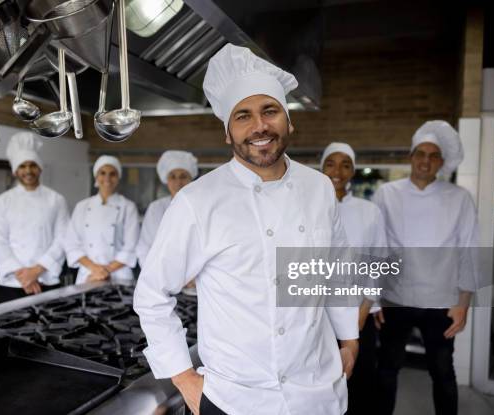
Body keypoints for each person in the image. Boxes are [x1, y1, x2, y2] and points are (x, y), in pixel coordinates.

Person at [134, 44, 358, 415]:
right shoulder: (197, 200)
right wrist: (183, 377)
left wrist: (350, 337)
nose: (259, 126)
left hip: (317, 391)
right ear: (227, 132)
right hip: (233, 399)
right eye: (243, 116)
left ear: (289, 120)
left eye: (270, 111)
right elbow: (153, 295)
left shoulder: (318, 188)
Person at [372, 121, 479, 415]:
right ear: (411, 157)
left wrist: (464, 304)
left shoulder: (459, 198)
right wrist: (373, 298)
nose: (426, 161)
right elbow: (377, 248)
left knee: (442, 371)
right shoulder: (387, 193)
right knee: (387, 369)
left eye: (433, 156)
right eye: (421, 153)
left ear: (441, 163)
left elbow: (470, 251)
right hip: (396, 297)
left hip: (441, 301)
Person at [321, 142, 387, 415]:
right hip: (317, 315)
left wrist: (365, 308)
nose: (338, 170)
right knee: (323, 385)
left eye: (345, 164)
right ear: (321, 167)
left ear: (353, 171)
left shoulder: (368, 211)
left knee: (359, 384)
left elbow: (379, 261)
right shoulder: (307, 208)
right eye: (331, 163)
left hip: (359, 313)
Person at [0, 132, 69, 302]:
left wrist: (37, 270)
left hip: (46, 278)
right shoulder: (2, 202)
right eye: (22, 166)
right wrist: (24, 275)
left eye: (32, 165)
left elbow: (62, 239)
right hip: (12, 283)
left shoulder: (56, 199)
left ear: (40, 168)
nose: (28, 171)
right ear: (15, 171)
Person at [64, 155, 140, 284]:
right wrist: (95, 269)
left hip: (119, 275)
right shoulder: (82, 206)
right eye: (102, 173)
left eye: (112, 174)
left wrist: (106, 271)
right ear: (96, 176)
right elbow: (71, 244)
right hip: (88, 274)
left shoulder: (128, 206)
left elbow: (131, 246)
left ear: (118, 177)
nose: (107, 178)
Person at [136, 150, 198, 267]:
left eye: (183, 176)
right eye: (172, 177)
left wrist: (193, 277)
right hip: (161, 278)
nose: (178, 182)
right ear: (166, 180)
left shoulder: (202, 206)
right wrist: (155, 275)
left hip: (195, 280)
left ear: (191, 179)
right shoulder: (156, 208)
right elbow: (144, 247)